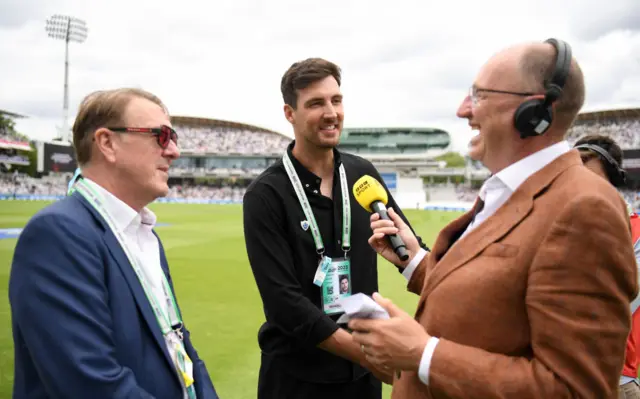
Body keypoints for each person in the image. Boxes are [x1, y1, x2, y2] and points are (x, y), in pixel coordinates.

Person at [349, 38, 639, 398]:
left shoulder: (585, 208)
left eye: (479, 95)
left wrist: (423, 355)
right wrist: (415, 261)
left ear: (533, 115)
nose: (462, 110)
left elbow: (575, 388)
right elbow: (495, 304)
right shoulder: (509, 188)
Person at [8, 88, 219, 399]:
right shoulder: (58, 234)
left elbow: (179, 343)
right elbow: (90, 384)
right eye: (161, 136)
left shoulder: (144, 235)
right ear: (107, 143)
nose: (174, 151)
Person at [242, 57, 429, 399]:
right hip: (296, 379)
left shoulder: (362, 175)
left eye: (336, 100)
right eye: (316, 103)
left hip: (363, 381)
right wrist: (369, 355)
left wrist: (412, 259)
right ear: (290, 113)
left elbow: (411, 246)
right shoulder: (266, 195)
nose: (331, 113)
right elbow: (283, 303)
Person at [574, 134, 640, 399]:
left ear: (615, 181)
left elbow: (622, 300)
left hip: (615, 379)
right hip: (559, 375)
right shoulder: (557, 225)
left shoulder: (637, 231)